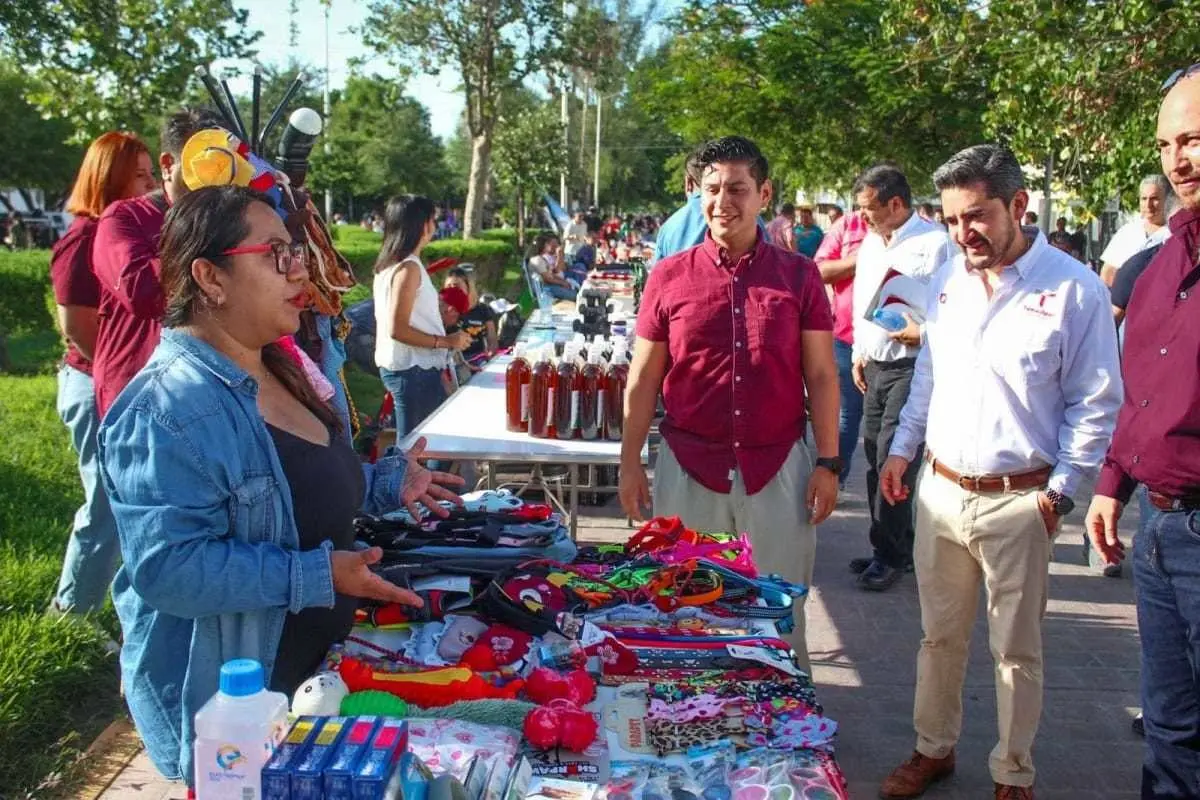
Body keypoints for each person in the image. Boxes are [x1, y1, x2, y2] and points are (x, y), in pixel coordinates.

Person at [98, 185, 464, 788]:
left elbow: (292, 487)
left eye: (297, 252)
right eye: (276, 255)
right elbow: (169, 569)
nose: (301, 269)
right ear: (209, 277)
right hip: (233, 716)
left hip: (308, 683)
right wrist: (320, 576)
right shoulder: (167, 407)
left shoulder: (279, 365)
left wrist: (385, 484)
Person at [875, 144, 1122, 800]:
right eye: (953, 220)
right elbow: (929, 375)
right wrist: (902, 451)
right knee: (939, 637)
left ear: (1019, 206)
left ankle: (1013, 772)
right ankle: (934, 748)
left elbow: (1096, 402)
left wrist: (1062, 494)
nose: (964, 234)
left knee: (1016, 653)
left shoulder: (1075, 290)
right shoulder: (950, 282)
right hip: (941, 492)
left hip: (1022, 500)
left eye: (977, 216)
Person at [618, 136, 840, 673]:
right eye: (713, 189)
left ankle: (788, 732)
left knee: (778, 610)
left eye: (738, 188)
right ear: (697, 194)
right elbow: (645, 376)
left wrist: (829, 464)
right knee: (683, 607)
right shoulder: (670, 277)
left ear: (764, 194)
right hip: (689, 465)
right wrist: (628, 463)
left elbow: (821, 375)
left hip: (778, 466)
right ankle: (689, 721)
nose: (724, 202)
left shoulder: (799, 275)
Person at [1085, 64, 1200, 799]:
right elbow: (1140, 389)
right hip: (1158, 531)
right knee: (1169, 726)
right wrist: (1110, 486)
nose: (1177, 159)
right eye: (1165, 143)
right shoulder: (1156, 266)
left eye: (1194, 139)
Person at [48, 131, 156, 616]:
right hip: (94, 386)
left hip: (113, 386)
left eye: (152, 172)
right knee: (103, 507)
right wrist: (115, 376)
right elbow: (77, 325)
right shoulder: (87, 237)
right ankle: (70, 612)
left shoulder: (130, 228)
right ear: (108, 177)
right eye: (140, 175)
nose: (151, 183)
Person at [849, 163, 955, 591]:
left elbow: (953, 306)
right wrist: (859, 351)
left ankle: (890, 554)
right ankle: (892, 544)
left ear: (895, 203)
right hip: (875, 364)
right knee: (874, 455)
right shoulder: (873, 244)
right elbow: (863, 298)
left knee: (895, 457)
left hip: (911, 365)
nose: (863, 218)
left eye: (868, 208)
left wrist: (922, 333)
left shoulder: (935, 245)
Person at [91, 107, 223, 417]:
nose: (216, 175)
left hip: (212, 394)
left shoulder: (236, 220)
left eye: (225, 163)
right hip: (138, 397)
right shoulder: (124, 218)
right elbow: (143, 292)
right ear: (167, 164)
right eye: (204, 163)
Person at [373, 195, 471, 435]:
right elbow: (398, 329)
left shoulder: (393, 266)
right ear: (423, 225)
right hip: (413, 369)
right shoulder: (408, 268)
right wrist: (446, 342)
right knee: (419, 451)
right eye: (433, 220)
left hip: (413, 368)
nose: (435, 227)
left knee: (427, 447)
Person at [814, 208, 869, 488]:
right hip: (846, 337)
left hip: (900, 346)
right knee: (848, 415)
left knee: (896, 427)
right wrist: (859, 261)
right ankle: (835, 481)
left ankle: (893, 498)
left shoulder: (922, 234)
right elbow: (820, 270)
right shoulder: (848, 225)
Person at [1099, 174, 1173, 286]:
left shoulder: (1176, 232)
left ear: (1167, 200)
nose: (1148, 205)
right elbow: (1108, 273)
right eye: (1144, 199)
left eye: (1154, 199)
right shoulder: (1128, 232)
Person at [444, 267, 498, 362]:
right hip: (453, 360)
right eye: (449, 286)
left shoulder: (483, 309)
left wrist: (491, 354)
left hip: (479, 358)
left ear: (468, 287)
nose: (452, 289)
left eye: (456, 285)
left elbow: (492, 339)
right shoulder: (442, 311)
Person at [529, 232, 577, 300]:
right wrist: (563, 283)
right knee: (574, 295)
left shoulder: (541, 259)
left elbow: (551, 275)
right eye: (547, 243)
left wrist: (564, 282)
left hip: (549, 285)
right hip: (544, 289)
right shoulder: (537, 260)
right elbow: (548, 279)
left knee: (574, 292)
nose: (556, 246)